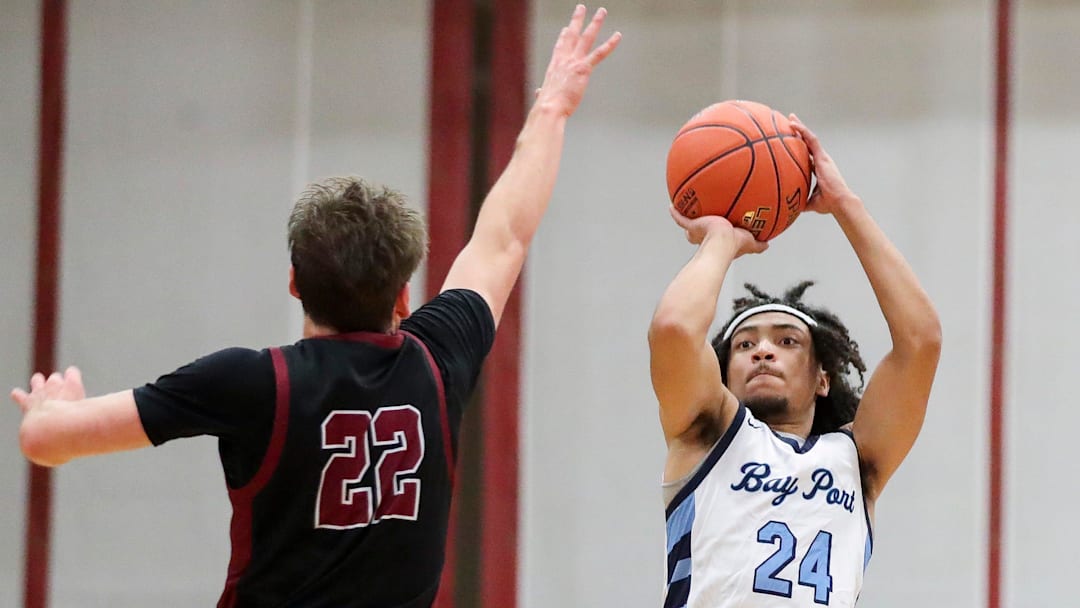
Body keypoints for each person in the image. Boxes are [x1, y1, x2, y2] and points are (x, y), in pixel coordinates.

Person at [11, 6, 620, 607]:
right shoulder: (439, 360)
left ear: (295, 281)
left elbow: (46, 442)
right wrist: (553, 106)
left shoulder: (250, 383)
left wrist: (52, 410)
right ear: (405, 294)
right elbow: (505, 234)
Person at [649, 115, 941, 607]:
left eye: (787, 342)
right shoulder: (703, 432)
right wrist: (722, 240)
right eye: (744, 345)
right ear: (721, 374)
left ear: (823, 378)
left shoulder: (858, 460)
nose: (763, 350)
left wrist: (846, 206)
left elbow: (921, 341)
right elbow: (675, 329)